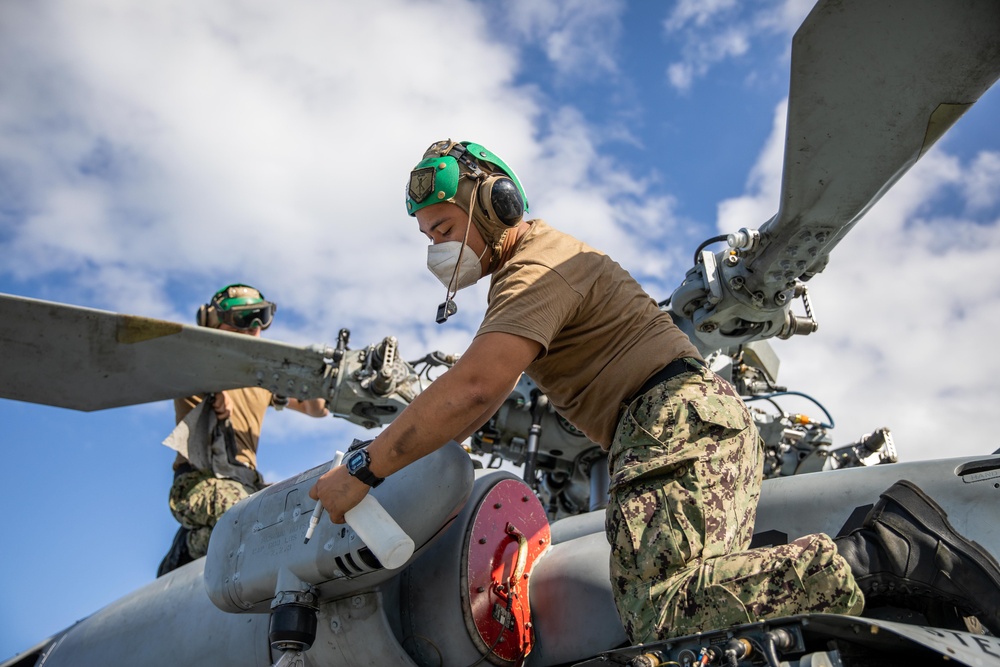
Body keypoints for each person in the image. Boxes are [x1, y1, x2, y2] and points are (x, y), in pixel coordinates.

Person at [309, 140, 1000, 641]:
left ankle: (888, 552)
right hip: (684, 422)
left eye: (443, 228)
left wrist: (366, 468)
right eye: (427, 236)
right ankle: (863, 564)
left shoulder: (536, 265)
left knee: (663, 609)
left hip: (667, 422)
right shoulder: (533, 268)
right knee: (678, 641)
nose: (435, 248)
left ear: (496, 204)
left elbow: (477, 388)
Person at [158, 283, 328, 576]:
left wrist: (322, 380)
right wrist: (216, 394)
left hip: (246, 482)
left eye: (262, 316)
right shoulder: (196, 364)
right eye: (243, 318)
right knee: (249, 521)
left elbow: (317, 409)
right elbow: (194, 374)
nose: (254, 328)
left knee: (295, 515)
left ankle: (201, 540)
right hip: (200, 482)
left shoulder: (262, 379)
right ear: (213, 321)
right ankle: (187, 548)